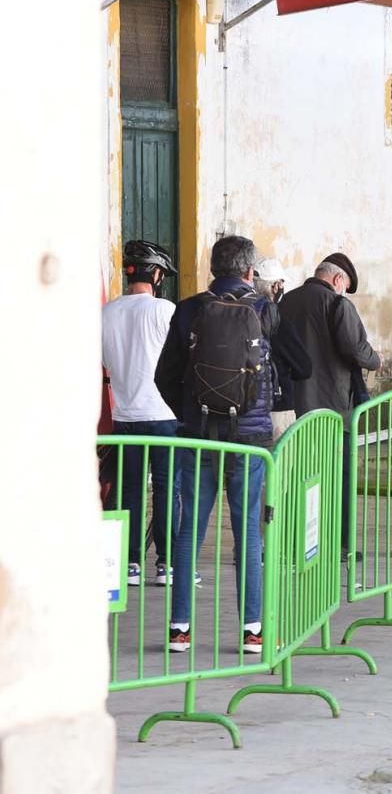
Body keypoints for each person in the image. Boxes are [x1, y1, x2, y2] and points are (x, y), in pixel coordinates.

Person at [155, 236, 275, 654]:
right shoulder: (263, 308)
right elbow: (296, 366)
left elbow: (164, 375)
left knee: (192, 529)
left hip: (199, 433)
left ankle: (180, 628)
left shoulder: (189, 309)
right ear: (248, 271)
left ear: (212, 268)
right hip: (250, 439)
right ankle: (253, 630)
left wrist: (190, 412)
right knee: (247, 534)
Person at [280, 252, 382, 561]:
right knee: (339, 477)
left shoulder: (286, 302)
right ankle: (341, 544)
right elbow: (357, 349)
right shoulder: (338, 305)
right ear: (338, 280)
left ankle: (295, 541)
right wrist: (375, 360)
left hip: (292, 405)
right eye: (345, 284)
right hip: (333, 407)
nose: (343, 290)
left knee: (298, 475)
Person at [101, 240, 182, 588]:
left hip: (124, 416)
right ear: (158, 274)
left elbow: (105, 362)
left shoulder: (106, 313)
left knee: (129, 489)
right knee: (167, 489)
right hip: (163, 413)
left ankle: (131, 563)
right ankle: (166, 564)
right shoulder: (165, 311)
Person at [253, 258, 312, 443]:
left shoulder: (240, 315)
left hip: (243, 408)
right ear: (275, 286)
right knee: (279, 467)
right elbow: (304, 367)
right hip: (278, 406)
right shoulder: (280, 323)